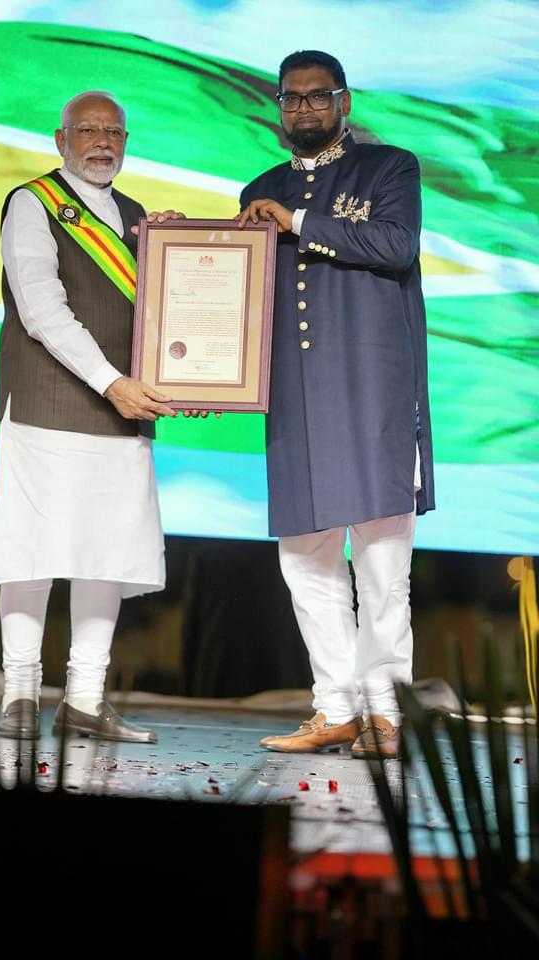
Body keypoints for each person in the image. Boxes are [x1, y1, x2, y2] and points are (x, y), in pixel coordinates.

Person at [238, 51, 435, 758]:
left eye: (318, 98)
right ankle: (335, 708)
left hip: (371, 394)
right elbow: (239, 295)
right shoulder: (259, 187)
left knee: (382, 566)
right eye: (292, 99)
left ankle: (385, 712)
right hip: (293, 401)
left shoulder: (390, 169)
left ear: (344, 102)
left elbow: (395, 244)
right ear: (280, 107)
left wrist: (297, 223)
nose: (304, 110)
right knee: (307, 561)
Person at [0, 90, 182, 742]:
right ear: (60, 137)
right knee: (32, 551)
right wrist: (113, 382)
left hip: (119, 412)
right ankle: (19, 694)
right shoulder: (31, 202)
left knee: (108, 554)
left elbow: (160, 311)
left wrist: (173, 248)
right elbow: (41, 310)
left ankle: (85, 701)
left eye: (114, 132)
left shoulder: (132, 214)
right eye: (88, 130)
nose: (102, 141)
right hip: (47, 404)